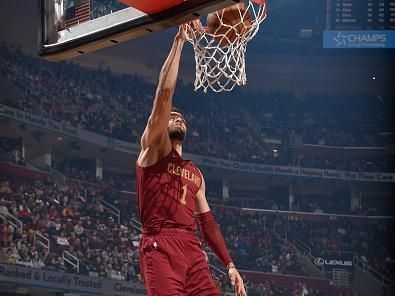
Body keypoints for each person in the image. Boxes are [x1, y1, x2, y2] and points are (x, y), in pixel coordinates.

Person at [136, 23, 246, 296]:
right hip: (161, 243)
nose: (177, 118)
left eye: (181, 118)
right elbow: (164, 95)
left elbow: (207, 224)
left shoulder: (195, 174)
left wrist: (230, 264)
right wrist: (179, 42)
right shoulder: (154, 149)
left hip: (192, 248)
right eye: (173, 117)